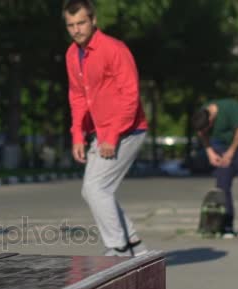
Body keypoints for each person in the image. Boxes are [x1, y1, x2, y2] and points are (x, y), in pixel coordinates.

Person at [63, 0, 149, 257]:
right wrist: (77, 135)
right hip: (100, 131)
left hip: (128, 130)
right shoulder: (71, 55)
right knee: (94, 190)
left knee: (96, 188)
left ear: (93, 21)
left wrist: (112, 136)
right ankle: (134, 246)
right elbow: (78, 97)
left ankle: (119, 248)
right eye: (71, 25)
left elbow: (130, 96)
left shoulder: (113, 49)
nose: (76, 29)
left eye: (81, 23)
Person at [192, 98, 238, 240]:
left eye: (208, 128)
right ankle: (226, 225)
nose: (206, 132)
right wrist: (209, 152)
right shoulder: (202, 114)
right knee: (222, 186)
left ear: (211, 120)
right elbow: (201, 133)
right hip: (223, 146)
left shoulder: (229, 109)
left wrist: (230, 153)